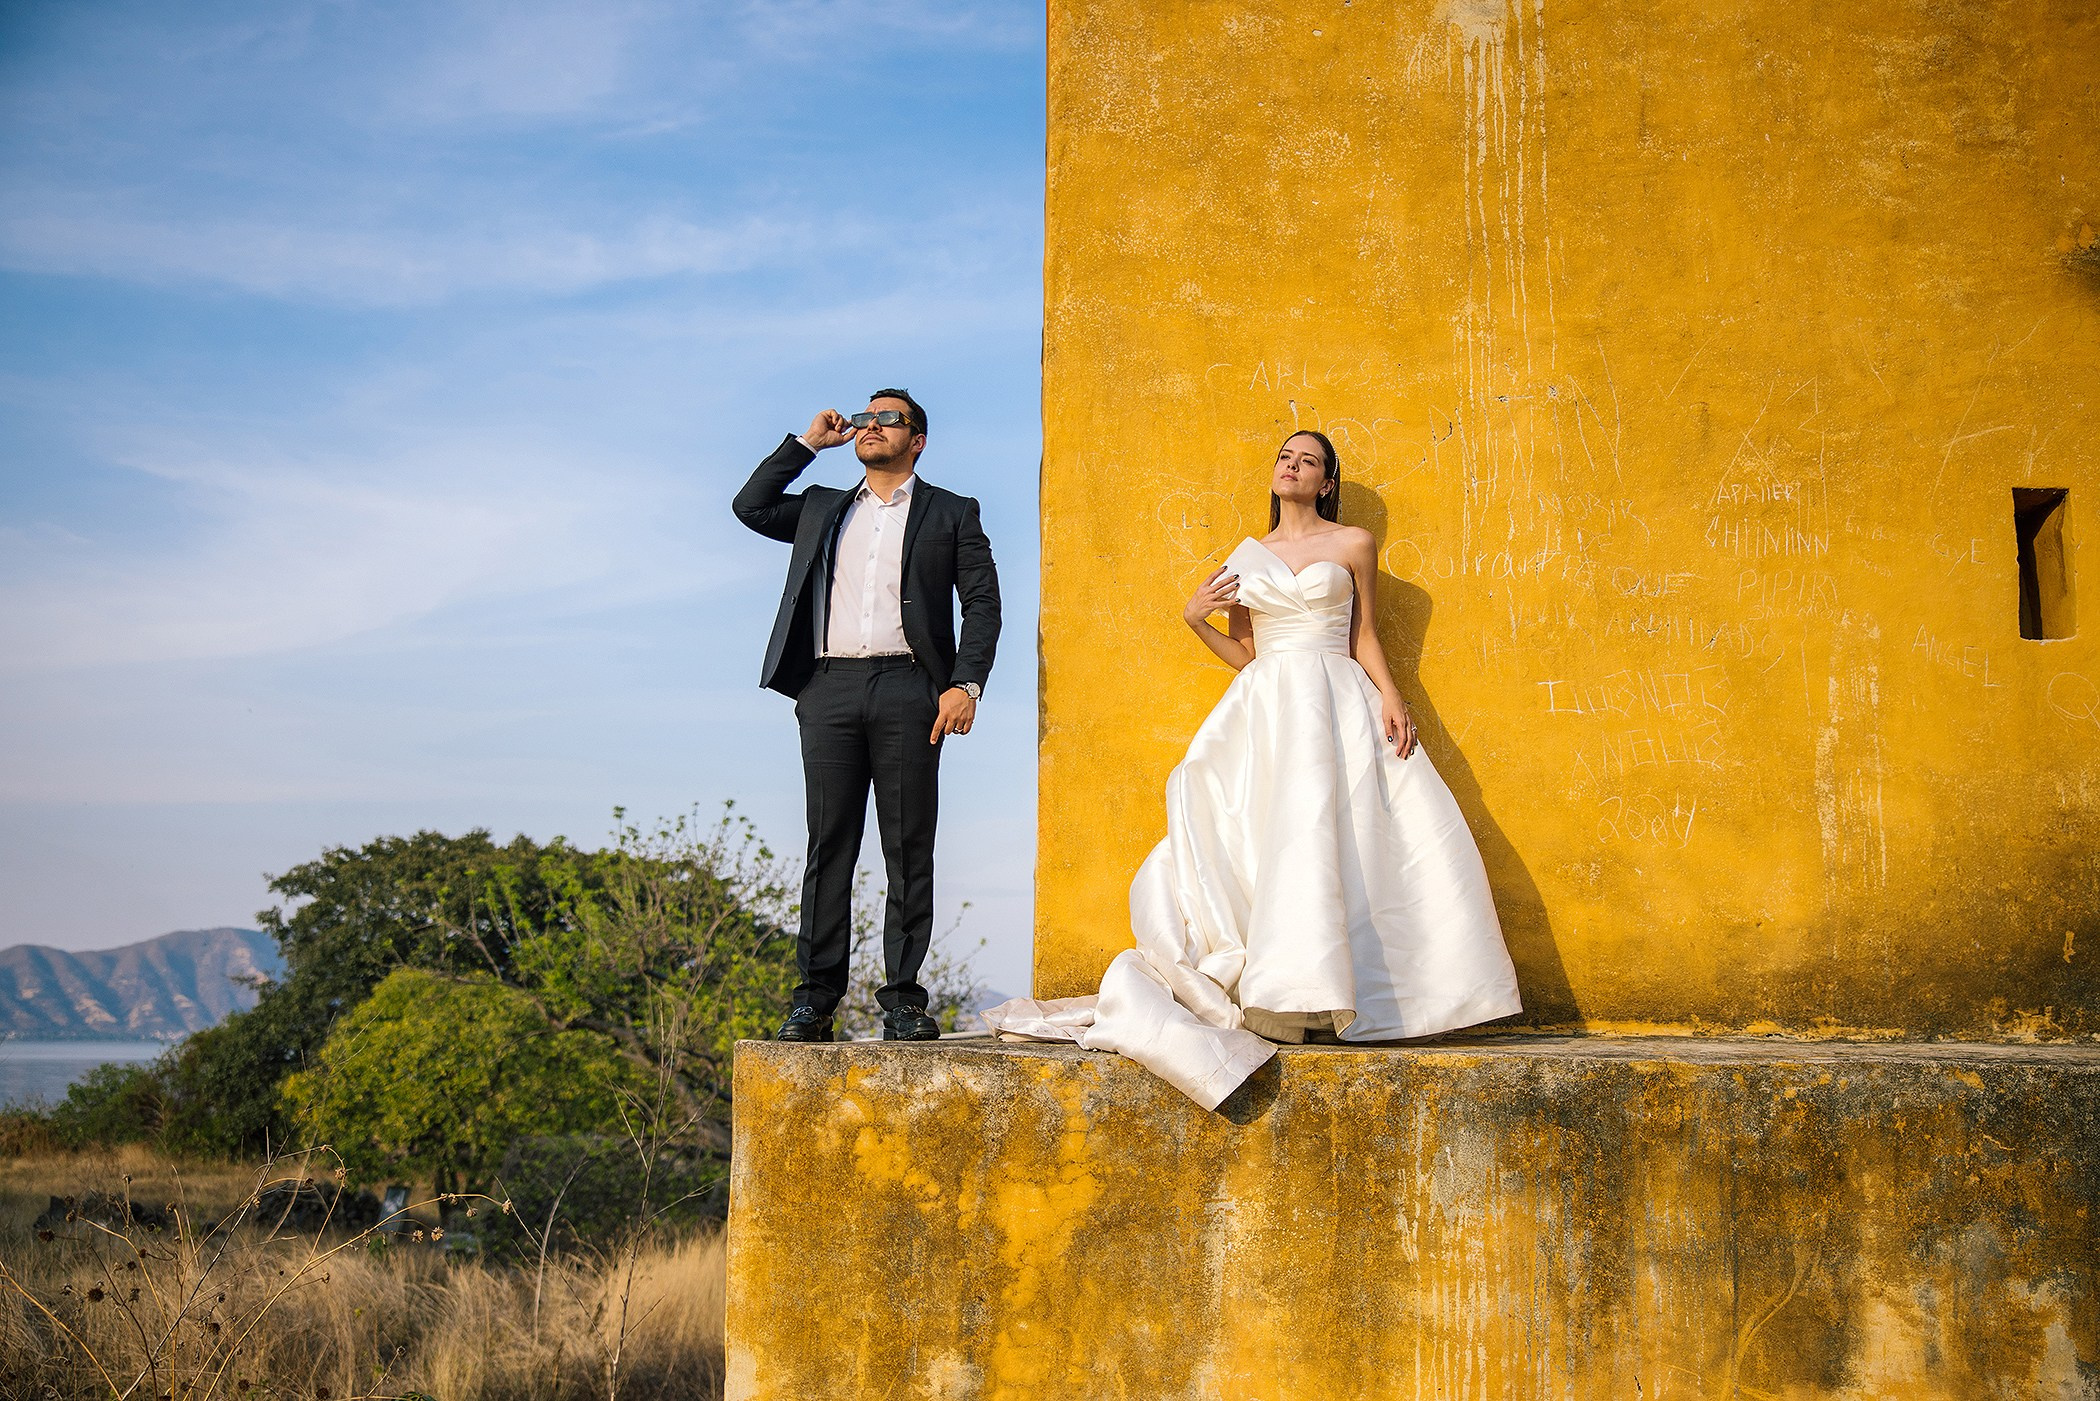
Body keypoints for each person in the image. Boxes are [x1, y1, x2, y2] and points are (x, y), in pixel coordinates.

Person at [982, 430, 1520, 1106]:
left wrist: (1390, 695)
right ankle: (1285, 994)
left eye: (1309, 461)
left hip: (1338, 696)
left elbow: (1364, 633)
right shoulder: (1246, 556)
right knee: (1271, 836)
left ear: (1326, 481)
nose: (1292, 466)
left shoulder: (1353, 542)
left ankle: (1355, 994)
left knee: (1351, 838)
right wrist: (1194, 620)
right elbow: (1248, 651)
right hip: (1268, 707)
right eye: (1285, 458)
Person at [733, 389, 1001, 1043]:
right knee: (830, 846)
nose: (871, 424)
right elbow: (751, 505)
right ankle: (813, 1000)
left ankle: (904, 1000)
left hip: (912, 689)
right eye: (866, 416)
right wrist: (805, 444)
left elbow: (983, 604)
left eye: (890, 418)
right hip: (828, 688)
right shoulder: (822, 507)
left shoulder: (952, 512)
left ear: (917, 440)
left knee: (908, 847)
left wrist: (965, 683)